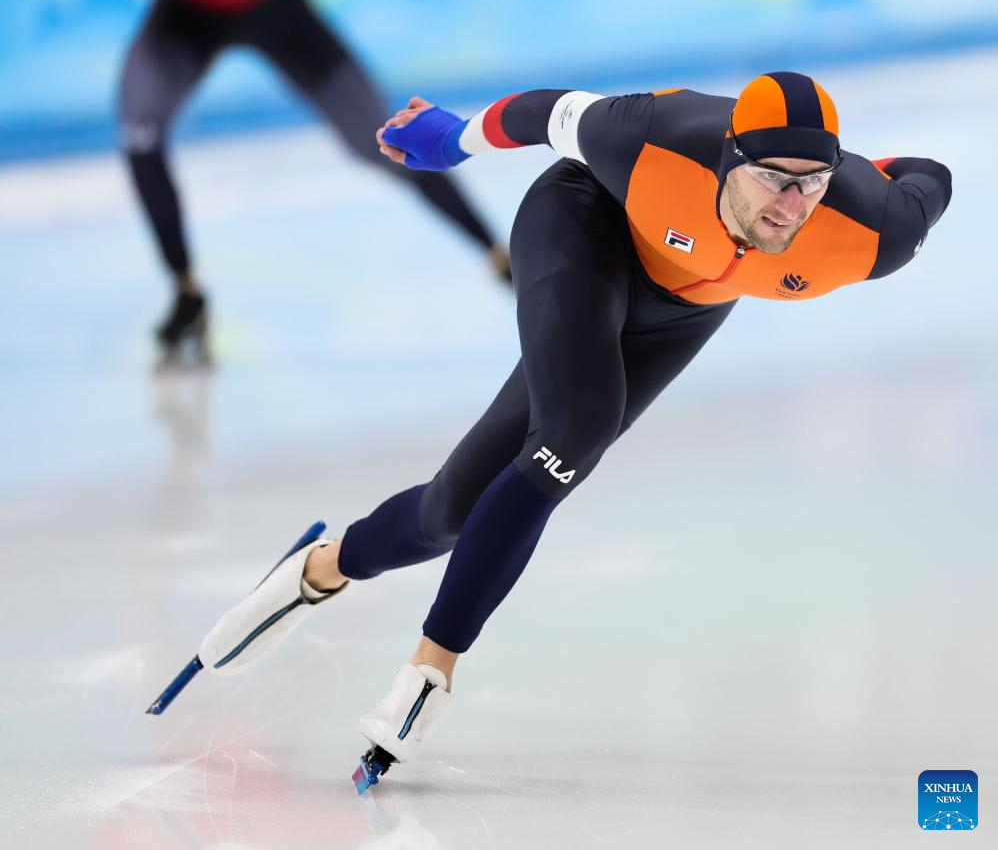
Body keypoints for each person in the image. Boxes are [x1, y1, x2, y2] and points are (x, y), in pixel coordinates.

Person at [187, 71, 951, 790]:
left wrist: (861, 175)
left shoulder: (873, 232)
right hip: (585, 227)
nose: (790, 204)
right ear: (728, 155)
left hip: (685, 311)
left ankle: (319, 569)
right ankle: (431, 669)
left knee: (452, 512)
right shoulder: (653, 138)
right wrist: (453, 138)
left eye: (812, 181)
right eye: (773, 177)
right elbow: (545, 114)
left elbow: (931, 175)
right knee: (574, 435)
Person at [95, 0, 511, 365]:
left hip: (275, 11)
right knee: (140, 133)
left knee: (379, 141)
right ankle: (187, 294)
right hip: (187, 18)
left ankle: (497, 253)